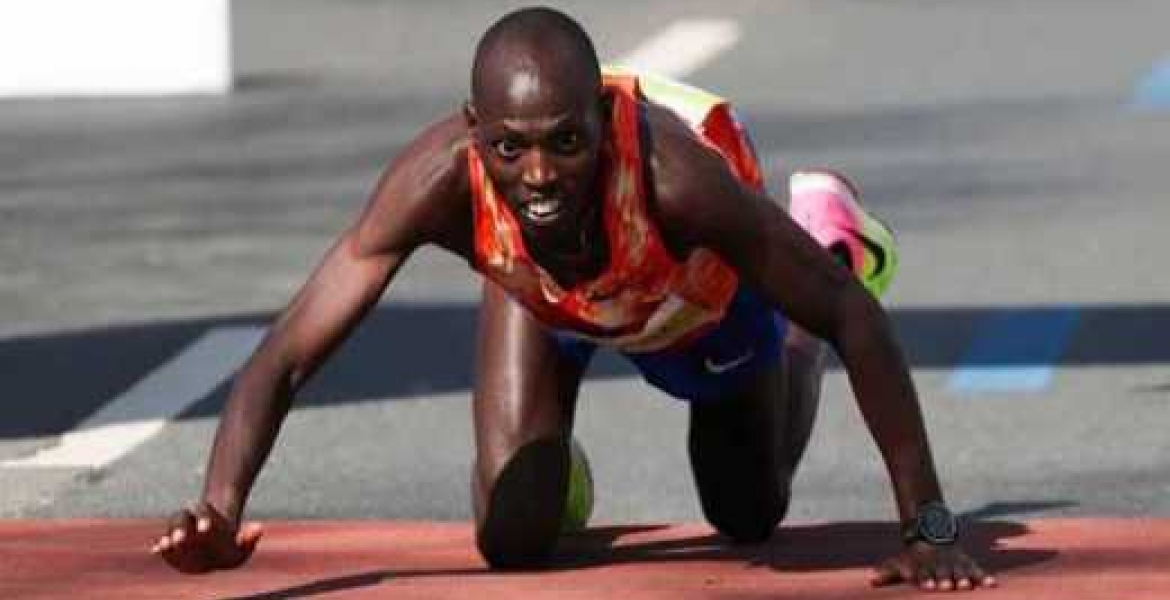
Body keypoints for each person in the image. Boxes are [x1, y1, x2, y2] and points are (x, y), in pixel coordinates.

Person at [150, 6, 995, 592]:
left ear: (602, 118)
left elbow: (852, 317)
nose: (541, 175)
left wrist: (927, 525)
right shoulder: (437, 182)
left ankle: (828, 236)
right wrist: (222, 510)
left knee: (747, 515)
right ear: (475, 130)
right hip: (543, 302)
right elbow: (291, 351)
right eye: (510, 149)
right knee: (513, 541)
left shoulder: (679, 183)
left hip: (685, 297)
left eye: (566, 142)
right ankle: (555, 476)